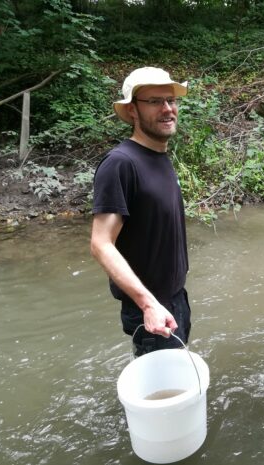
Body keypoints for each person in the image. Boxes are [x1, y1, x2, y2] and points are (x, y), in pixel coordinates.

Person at [90, 67, 191, 356]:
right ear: (132, 110)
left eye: (171, 100)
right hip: (152, 312)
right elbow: (100, 243)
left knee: (175, 388)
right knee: (163, 395)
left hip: (174, 301)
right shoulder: (121, 164)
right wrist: (148, 305)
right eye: (155, 101)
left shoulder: (159, 156)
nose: (168, 109)